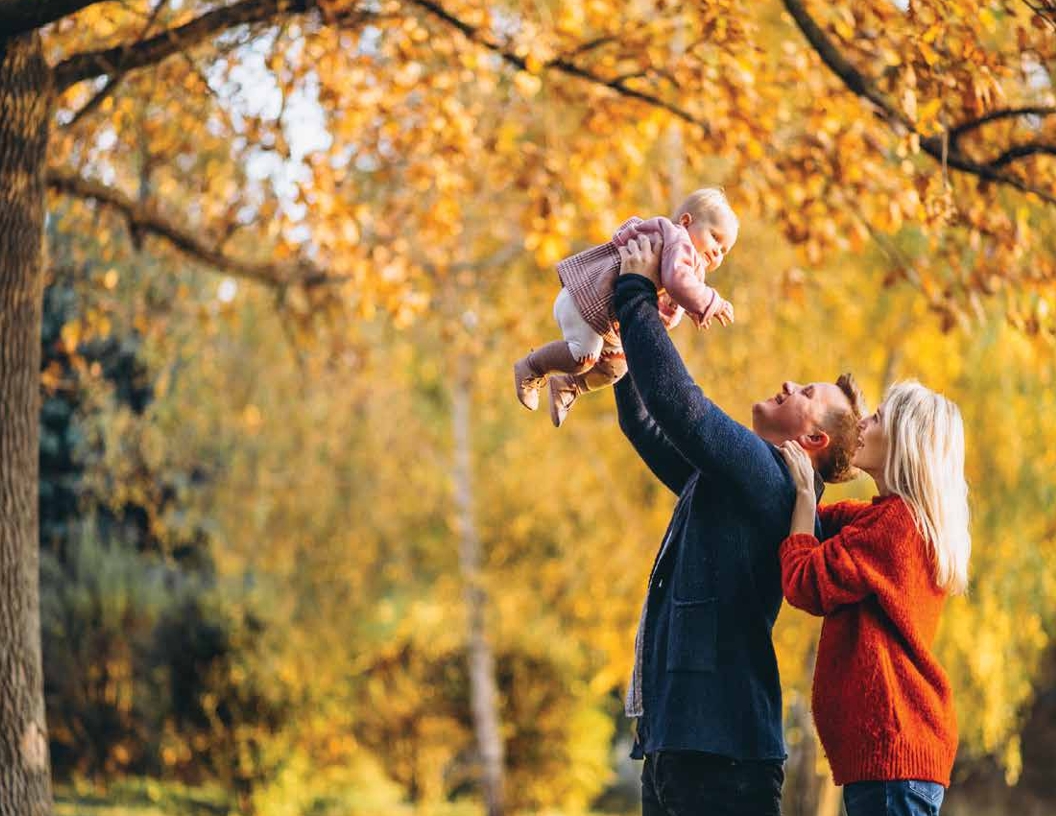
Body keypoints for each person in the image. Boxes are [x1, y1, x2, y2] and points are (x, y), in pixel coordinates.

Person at [613, 235, 867, 816]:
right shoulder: (736, 482)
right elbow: (654, 431)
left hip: (723, 755)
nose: (787, 385)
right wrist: (623, 368)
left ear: (813, 441)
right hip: (681, 747)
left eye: (804, 393)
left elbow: (685, 408)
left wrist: (634, 296)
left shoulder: (769, 477)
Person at [778, 381, 970, 816]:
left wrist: (806, 496)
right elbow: (823, 527)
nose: (864, 422)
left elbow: (805, 580)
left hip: (894, 756)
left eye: (878, 418)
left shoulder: (896, 529)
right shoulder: (885, 520)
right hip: (894, 761)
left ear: (905, 443)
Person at [513, 187, 739, 427]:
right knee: (583, 355)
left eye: (724, 251)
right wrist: (711, 301)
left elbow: (677, 290)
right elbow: (677, 281)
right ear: (686, 221)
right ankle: (531, 366)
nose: (717, 252)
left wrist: (695, 308)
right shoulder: (676, 239)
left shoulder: (684, 262)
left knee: (616, 367)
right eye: (715, 237)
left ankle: (569, 385)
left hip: (604, 318)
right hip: (587, 298)